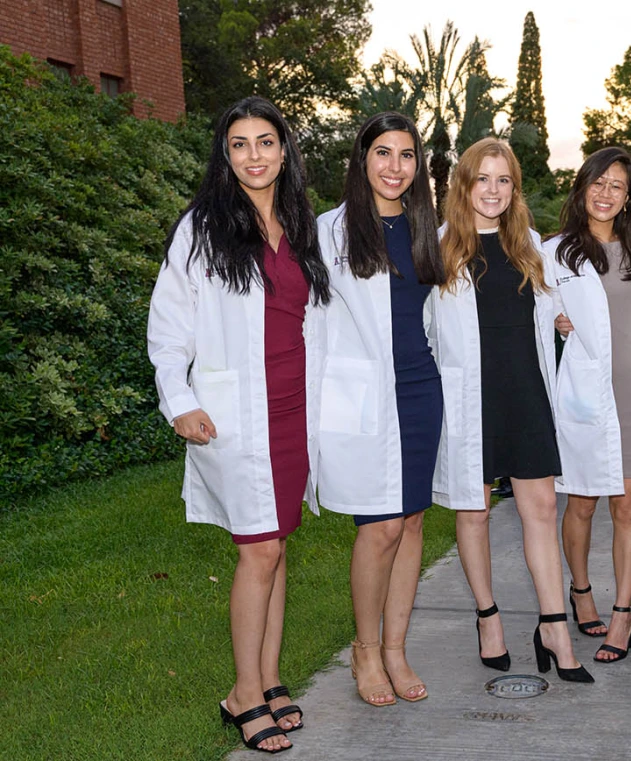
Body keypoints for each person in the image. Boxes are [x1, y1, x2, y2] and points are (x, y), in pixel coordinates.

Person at [148, 96, 331, 753]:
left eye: (265, 142)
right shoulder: (203, 226)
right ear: (225, 156)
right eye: (239, 144)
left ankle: (270, 676)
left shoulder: (299, 221)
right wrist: (179, 399)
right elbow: (168, 325)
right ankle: (242, 694)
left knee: (278, 544)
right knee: (258, 550)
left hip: (292, 412)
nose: (254, 155)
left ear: (285, 151)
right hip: (233, 414)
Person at [431, 137, 593, 683]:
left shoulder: (532, 247)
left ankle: (553, 625)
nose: (494, 190)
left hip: (524, 390)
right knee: (473, 511)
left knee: (541, 508)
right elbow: (424, 333)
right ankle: (488, 616)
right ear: (464, 185)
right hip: (470, 396)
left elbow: (560, 310)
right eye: (483, 179)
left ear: (514, 188)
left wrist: (564, 320)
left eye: (504, 180)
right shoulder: (440, 249)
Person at [316, 112, 444, 708]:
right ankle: (365, 650)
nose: (395, 167)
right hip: (364, 394)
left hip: (420, 387)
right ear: (362, 158)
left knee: (413, 520)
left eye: (407, 156)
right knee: (380, 524)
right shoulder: (328, 232)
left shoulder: (428, 229)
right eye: (383, 153)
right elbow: (306, 323)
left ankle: (395, 647)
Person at [545, 147, 631, 663]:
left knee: (627, 506)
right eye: (597, 182)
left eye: (617, 185)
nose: (606, 193)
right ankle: (581, 591)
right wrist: (557, 322)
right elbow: (536, 314)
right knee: (582, 502)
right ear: (582, 188)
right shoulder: (558, 252)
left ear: (630, 196)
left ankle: (623, 613)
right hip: (587, 395)